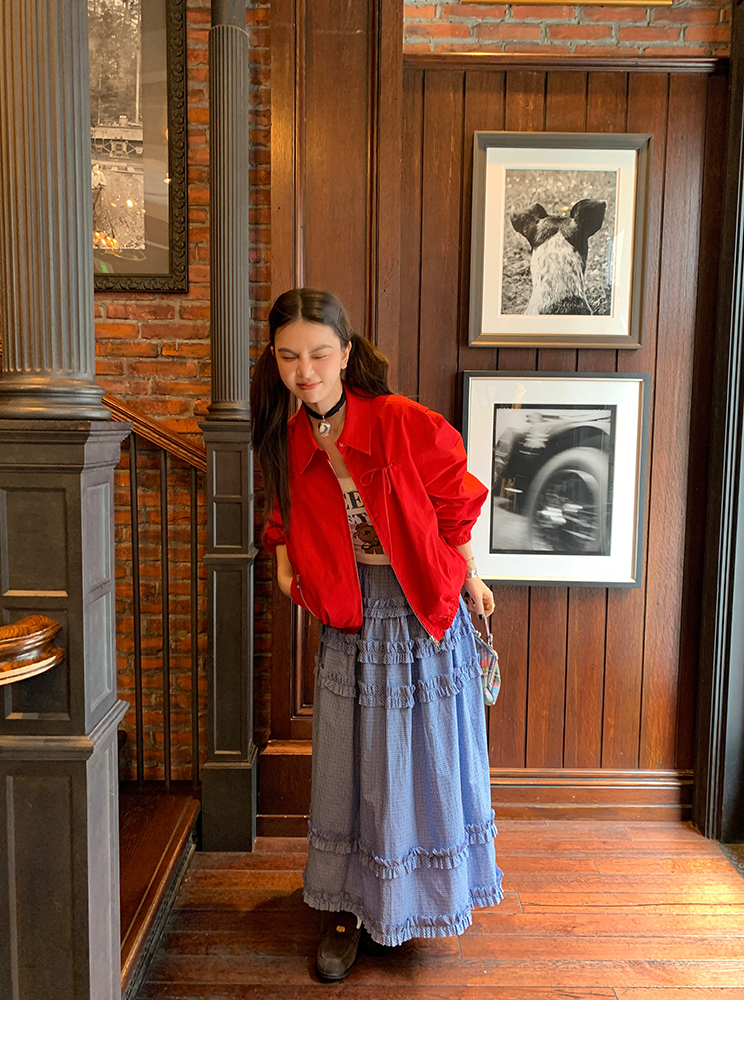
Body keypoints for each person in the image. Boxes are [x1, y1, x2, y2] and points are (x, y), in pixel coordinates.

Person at [252, 288, 504, 981]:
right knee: (351, 762)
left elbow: (455, 504)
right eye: (289, 357)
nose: (305, 371)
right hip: (349, 613)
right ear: (274, 359)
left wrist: (469, 576)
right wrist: (286, 571)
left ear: (345, 354)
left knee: (423, 757)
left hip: (419, 606)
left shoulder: (401, 421)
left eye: (318, 354)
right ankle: (346, 908)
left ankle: (414, 900)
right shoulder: (287, 436)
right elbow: (283, 513)